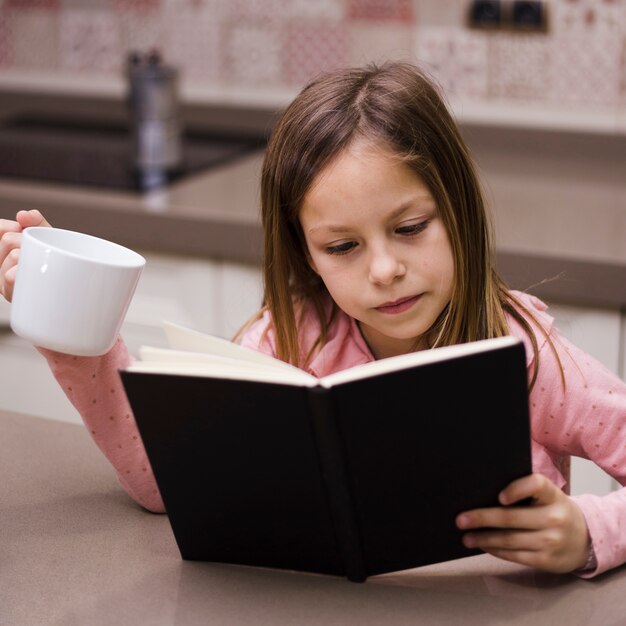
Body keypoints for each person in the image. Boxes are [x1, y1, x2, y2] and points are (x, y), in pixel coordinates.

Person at [1, 61, 624, 579]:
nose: (384, 269)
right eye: (342, 247)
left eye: (410, 228)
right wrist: (74, 334)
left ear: (458, 206)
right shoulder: (284, 342)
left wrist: (588, 532)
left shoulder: (528, 353)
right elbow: (167, 485)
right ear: (305, 252)